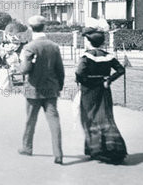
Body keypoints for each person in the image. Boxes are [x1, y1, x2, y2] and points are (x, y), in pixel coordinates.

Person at [18, 15, 65, 165]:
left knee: (31, 120)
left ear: (31, 28)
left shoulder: (30, 47)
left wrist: (25, 64)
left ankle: (27, 147)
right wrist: (59, 86)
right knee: (54, 121)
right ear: (44, 27)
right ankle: (58, 153)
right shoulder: (54, 46)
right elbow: (60, 70)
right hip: (51, 90)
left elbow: (25, 70)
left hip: (33, 89)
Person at [76, 27, 127, 164]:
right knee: (105, 117)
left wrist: (84, 82)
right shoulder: (108, 55)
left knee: (89, 118)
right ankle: (113, 148)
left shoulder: (86, 56)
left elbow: (79, 74)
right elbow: (121, 70)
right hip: (104, 89)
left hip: (89, 92)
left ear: (89, 42)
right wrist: (108, 80)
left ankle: (96, 149)